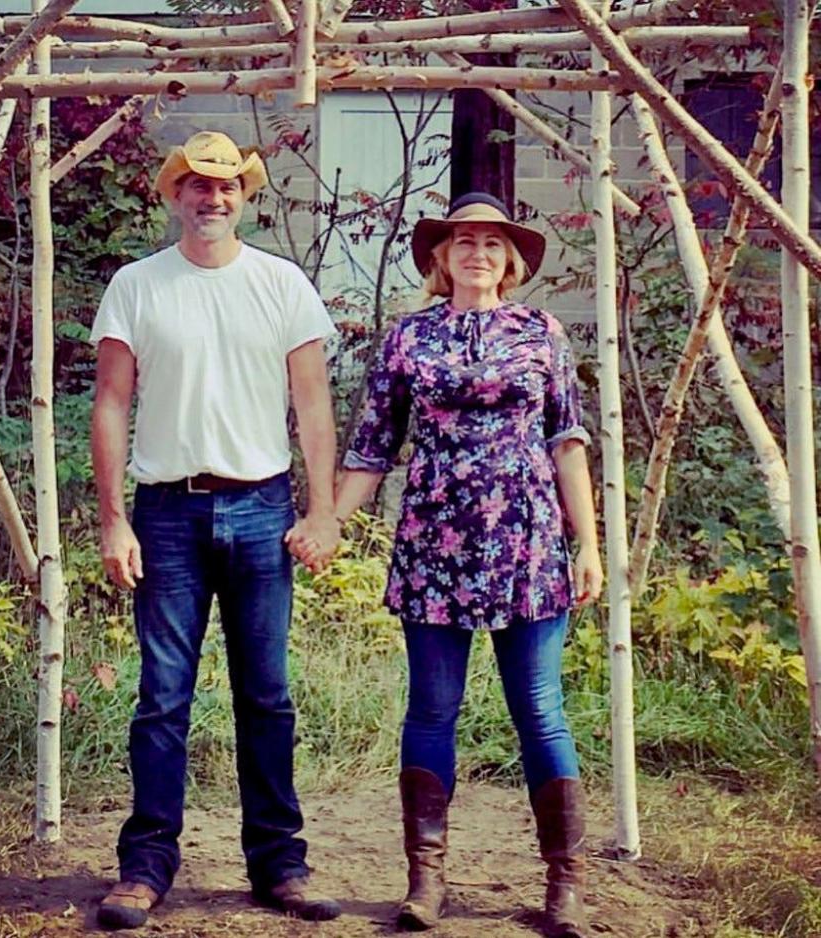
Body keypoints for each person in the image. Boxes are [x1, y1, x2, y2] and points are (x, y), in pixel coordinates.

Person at [295, 193, 603, 937]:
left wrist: (588, 541)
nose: (477, 254)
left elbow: (567, 439)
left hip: (528, 545)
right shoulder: (408, 339)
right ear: (440, 257)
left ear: (511, 260)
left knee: (539, 709)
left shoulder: (542, 332)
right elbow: (372, 445)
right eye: (463, 241)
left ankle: (565, 885)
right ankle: (425, 882)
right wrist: (330, 518)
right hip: (435, 544)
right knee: (432, 709)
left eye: (493, 244)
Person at [90, 130, 342, 931]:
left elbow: (311, 406)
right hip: (166, 514)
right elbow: (111, 405)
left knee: (266, 697)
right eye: (198, 185)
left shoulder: (282, 284)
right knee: (163, 698)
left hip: (262, 508)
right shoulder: (137, 285)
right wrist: (112, 519)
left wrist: (323, 508)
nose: (214, 198)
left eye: (228, 185)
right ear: (174, 195)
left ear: (246, 195)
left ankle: (279, 864)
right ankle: (145, 866)